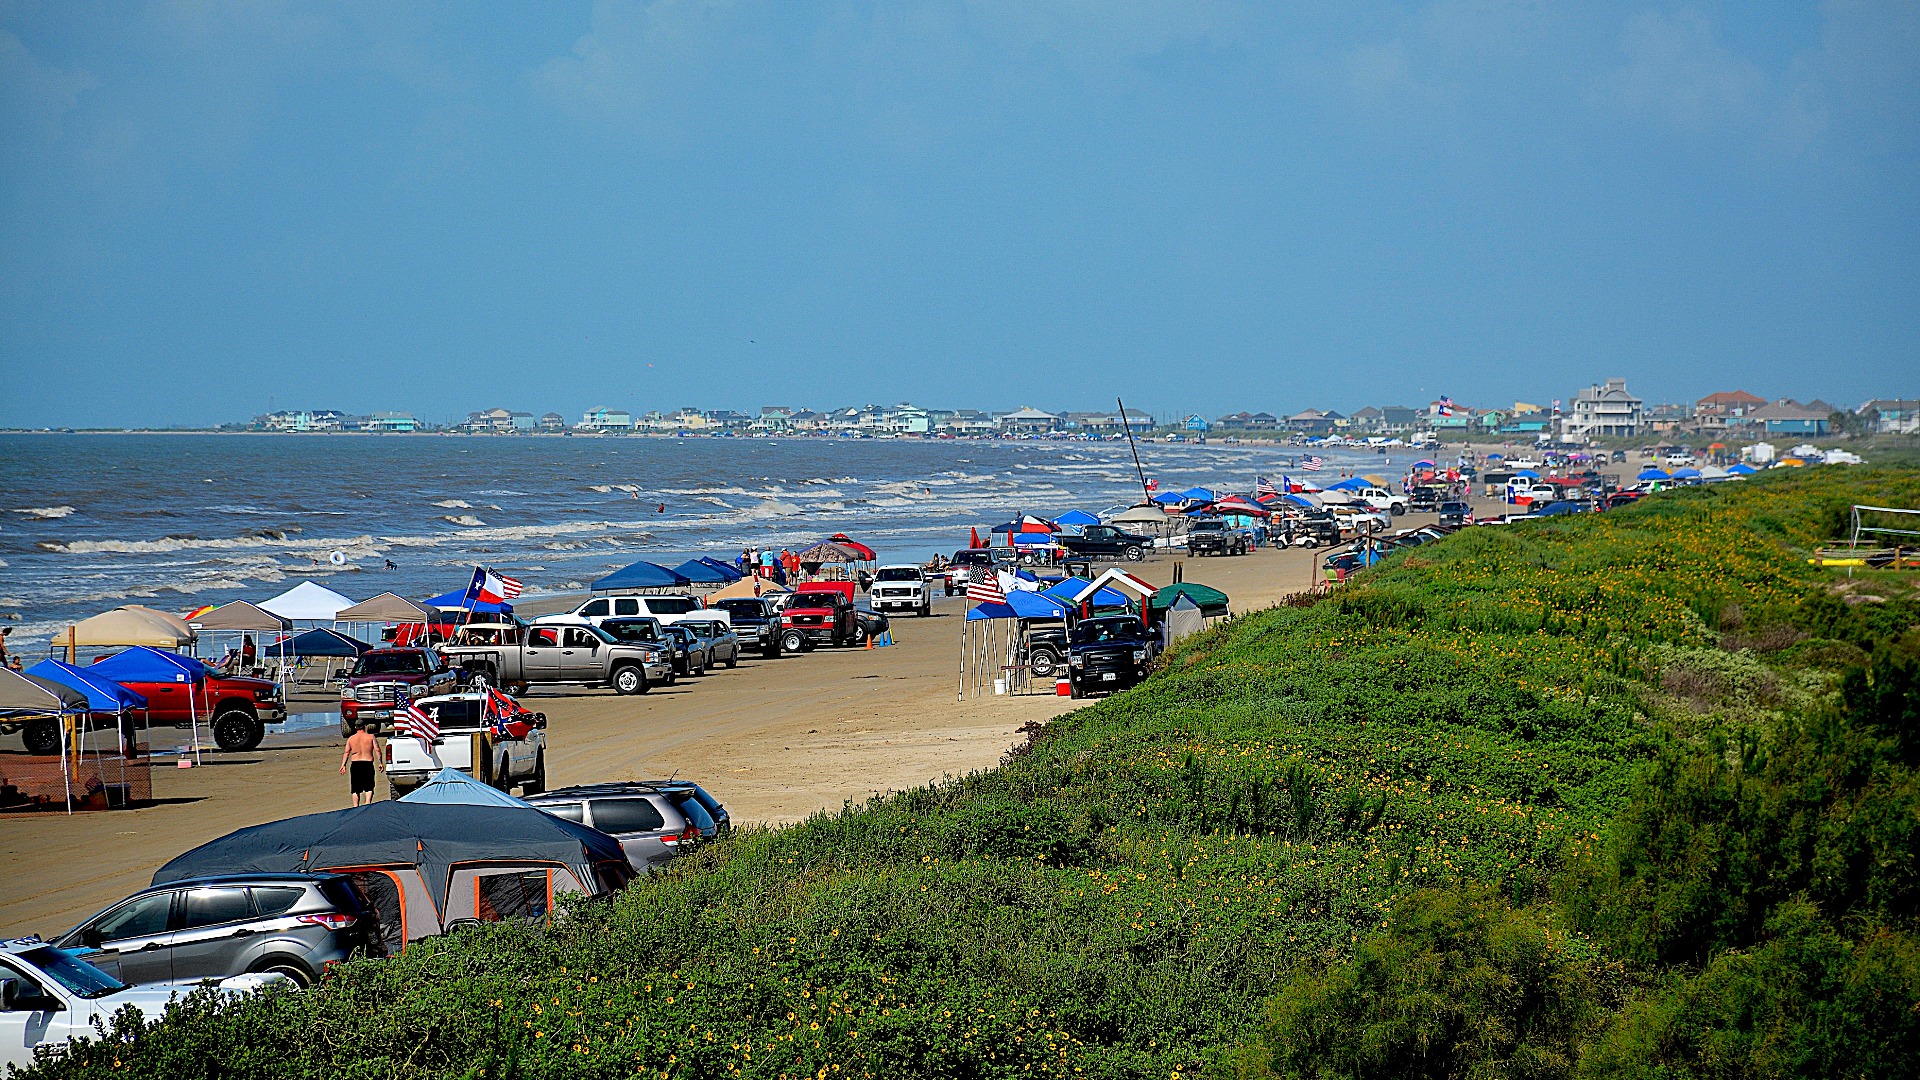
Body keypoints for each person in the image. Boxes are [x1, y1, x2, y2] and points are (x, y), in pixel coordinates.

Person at [340, 722, 380, 807]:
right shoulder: (371, 737)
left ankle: (355, 807)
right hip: (367, 763)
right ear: (364, 726)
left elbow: (346, 752)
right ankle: (367, 804)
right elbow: (377, 750)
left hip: (356, 764)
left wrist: (343, 765)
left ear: (355, 727)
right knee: (369, 787)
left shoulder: (351, 739)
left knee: (355, 789)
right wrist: (380, 762)